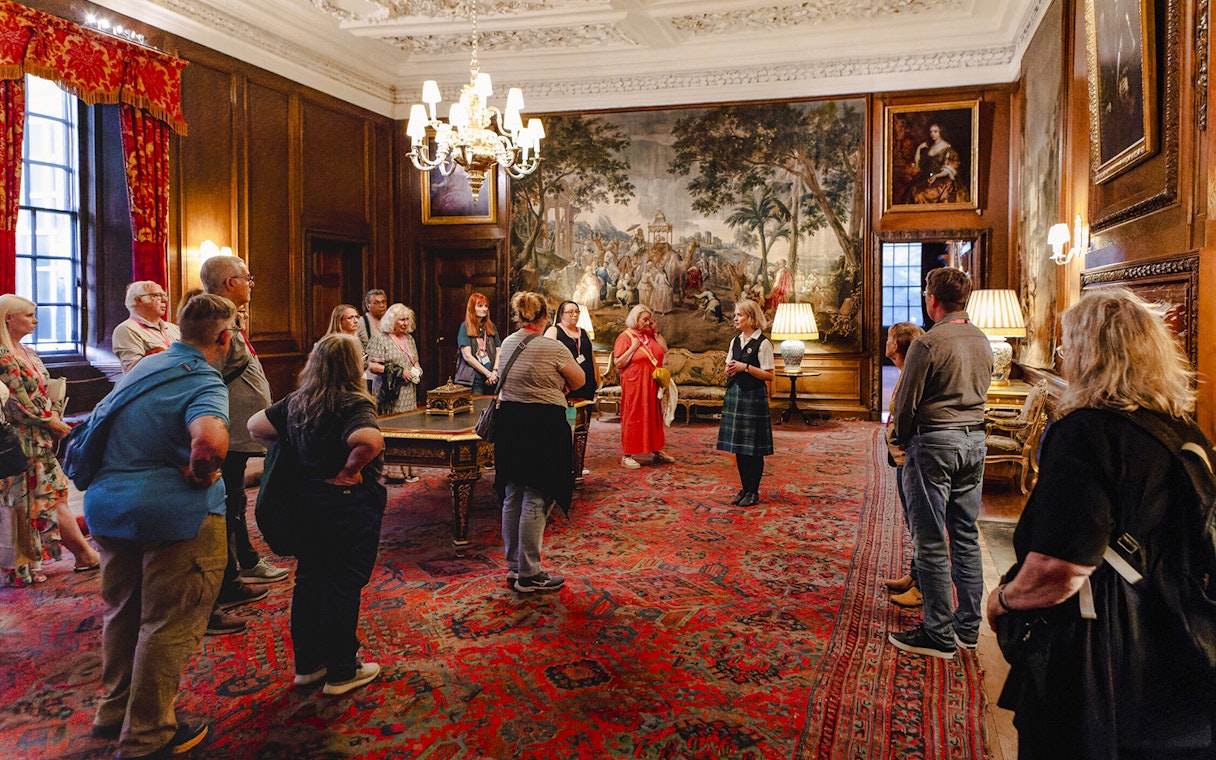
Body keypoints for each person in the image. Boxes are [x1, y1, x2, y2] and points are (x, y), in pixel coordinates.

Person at [988, 288, 1216, 759]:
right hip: (1172, 629)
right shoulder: (1183, 430)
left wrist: (1003, 601)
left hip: (1100, 642)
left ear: (1094, 354)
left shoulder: (1085, 433)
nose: (1061, 356)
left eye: (1068, 345)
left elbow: (1060, 568)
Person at [84, 293, 236, 758]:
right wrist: (203, 473)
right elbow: (209, 441)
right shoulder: (205, 379)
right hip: (173, 518)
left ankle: (113, 712)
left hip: (108, 509)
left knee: (123, 610)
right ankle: (147, 734)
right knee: (167, 622)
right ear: (225, 337)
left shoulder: (147, 367)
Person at [248, 333, 387, 696]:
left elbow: (256, 426)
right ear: (352, 364)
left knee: (310, 580)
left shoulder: (298, 400)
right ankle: (342, 670)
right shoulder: (354, 400)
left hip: (306, 503)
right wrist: (348, 470)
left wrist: (294, 449)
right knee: (343, 583)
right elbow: (370, 441)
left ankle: (308, 666)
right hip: (346, 504)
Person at [888, 267, 991, 659]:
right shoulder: (982, 340)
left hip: (934, 446)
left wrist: (900, 442)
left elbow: (906, 406)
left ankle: (938, 634)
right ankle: (968, 629)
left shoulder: (927, 344)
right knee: (965, 535)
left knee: (930, 540)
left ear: (932, 300)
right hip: (975, 444)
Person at [201, 255, 285, 634]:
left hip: (238, 431)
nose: (252, 284)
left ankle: (236, 573)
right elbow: (213, 373)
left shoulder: (231, 320)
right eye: (247, 278)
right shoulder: (216, 321)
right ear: (229, 283)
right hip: (227, 433)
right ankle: (225, 582)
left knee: (235, 502)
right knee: (226, 505)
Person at [0, 295, 101, 586]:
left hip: (40, 437)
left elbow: (42, 392)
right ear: (9, 317)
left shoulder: (27, 351)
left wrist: (55, 414)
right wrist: (52, 422)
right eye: (30, 315)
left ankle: (79, 555)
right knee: (26, 503)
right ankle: (26, 565)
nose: (35, 320)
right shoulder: (3, 355)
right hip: (20, 440)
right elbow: (18, 404)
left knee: (51, 496)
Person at [493, 291, 584, 593]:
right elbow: (580, 380)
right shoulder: (553, 347)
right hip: (543, 426)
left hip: (510, 423)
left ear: (519, 316)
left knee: (512, 493)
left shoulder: (506, 343)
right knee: (536, 496)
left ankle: (514, 566)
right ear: (545, 317)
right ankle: (530, 574)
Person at [881, 322, 926, 608]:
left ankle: (922, 587)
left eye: (888, 338)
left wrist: (900, 445)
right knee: (913, 520)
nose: (885, 341)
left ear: (897, 345)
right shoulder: (904, 372)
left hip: (910, 456)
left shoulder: (911, 375)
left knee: (919, 521)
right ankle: (914, 575)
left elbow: (908, 416)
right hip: (902, 456)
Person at [716, 298, 774, 507]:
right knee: (740, 448)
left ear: (751, 317)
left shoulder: (763, 343)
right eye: (735, 315)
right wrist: (730, 368)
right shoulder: (735, 341)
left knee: (753, 448)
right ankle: (745, 488)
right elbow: (728, 366)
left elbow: (769, 375)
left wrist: (745, 368)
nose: (736, 319)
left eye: (739, 315)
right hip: (735, 395)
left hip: (753, 397)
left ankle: (754, 491)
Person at [612, 304, 674, 469]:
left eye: (649, 319)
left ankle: (656, 450)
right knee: (633, 416)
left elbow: (664, 349)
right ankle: (627, 455)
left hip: (652, 383)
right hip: (635, 384)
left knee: (653, 416)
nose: (648, 322)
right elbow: (618, 362)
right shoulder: (625, 337)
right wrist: (632, 348)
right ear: (635, 319)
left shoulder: (650, 334)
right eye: (645, 319)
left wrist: (656, 331)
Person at [112, 281, 181, 373]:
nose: (165, 300)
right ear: (138, 300)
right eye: (157, 295)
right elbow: (134, 372)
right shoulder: (126, 330)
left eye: (164, 295)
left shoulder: (174, 329)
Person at [367, 304, 422, 415]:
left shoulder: (409, 338)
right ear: (391, 320)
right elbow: (373, 367)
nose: (405, 323)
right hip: (389, 391)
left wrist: (418, 370)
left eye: (407, 319)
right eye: (402, 320)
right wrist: (400, 372)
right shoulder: (380, 339)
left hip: (408, 391)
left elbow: (414, 361)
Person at [543, 301, 600, 404]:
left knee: (585, 417)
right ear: (561, 314)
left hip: (588, 384)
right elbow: (547, 359)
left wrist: (597, 379)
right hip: (567, 386)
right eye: (570, 312)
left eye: (577, 312)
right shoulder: (554, 331)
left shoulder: (584, 332)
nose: (575, 315)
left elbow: (591, 357)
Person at [907, 123, 966, 205]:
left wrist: (936, 176)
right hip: (931, 177)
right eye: (931, 132)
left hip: (943, 180)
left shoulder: (947, 148)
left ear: (941, 132)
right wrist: (919, 147)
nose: (932, 134)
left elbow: (950, 169)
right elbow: (918, 164)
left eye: (935, 131)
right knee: (913, 190)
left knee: (921, 194)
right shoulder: (930, 146)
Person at [456, 293, 500, 395]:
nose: (484, 309)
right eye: (480, 306)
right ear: (472, 308)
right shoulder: (465, 326)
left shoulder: (491, 326)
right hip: (475, 379)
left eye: (486, 306)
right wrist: (487, 373)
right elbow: (467, 356)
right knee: (477, 408)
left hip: (492, 378)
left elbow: (499, 349)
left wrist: (495, 371)